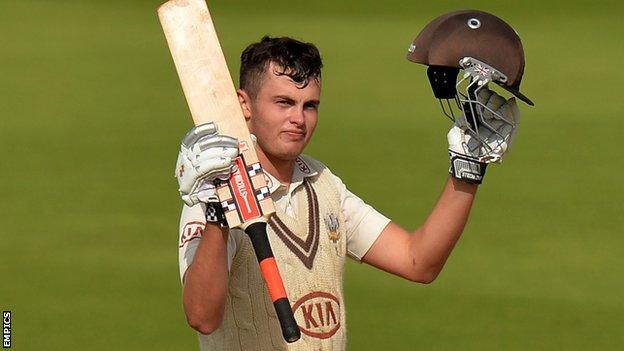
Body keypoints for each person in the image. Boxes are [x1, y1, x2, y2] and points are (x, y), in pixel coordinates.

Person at [175, 27, 525, 350]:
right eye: (284, 102)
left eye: (309, 105)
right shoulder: (214, 194)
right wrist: (217, 217)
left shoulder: (323, 184)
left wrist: (466, 171)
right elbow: (202, 318)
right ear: (244, 104)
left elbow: (418, 261)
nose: (299, 119)